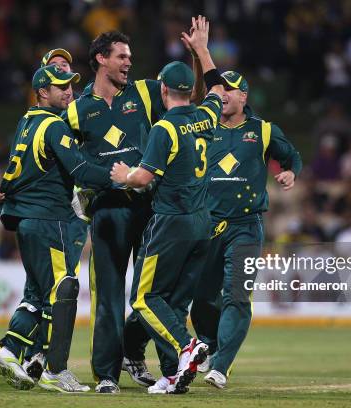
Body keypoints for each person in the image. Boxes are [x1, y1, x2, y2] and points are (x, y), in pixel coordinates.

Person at [110, 16, 224, 394]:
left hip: (170, 223)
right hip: (202, 224)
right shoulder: (207, 117)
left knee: (144, 298)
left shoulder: (166, 128)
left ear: (162, 90)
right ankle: (177, 373)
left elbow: (143, 179)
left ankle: (187, 347)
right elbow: (216, 89)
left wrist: (125, 173)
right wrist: (202, 51)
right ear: (189, 90)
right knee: (174, 300)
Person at [0, 64, 112, 394]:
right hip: (50, 221)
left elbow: (13, 172)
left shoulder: (27, 122)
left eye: (70, 84)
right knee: (62, 291)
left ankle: (11, 350)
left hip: (28, 222)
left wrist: (3, 192)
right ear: (43, 92)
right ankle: (53, 369)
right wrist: (124, 176)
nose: (69, 90)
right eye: (61, 86)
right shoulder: (55, 127)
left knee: (37, 294)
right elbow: (82, 169)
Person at [62, 30, 167, 393]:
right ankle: (107, 374)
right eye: (122, 56)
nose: (129, 62)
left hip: (149, 206)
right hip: (106, 211)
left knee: (153, 291)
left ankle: (135, 355)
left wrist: (200, 53)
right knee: (108, 295)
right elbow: (62, 159)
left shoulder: (145, 92)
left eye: (130, 56)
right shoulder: (75, 110)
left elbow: (192, 95)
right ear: (101, 59)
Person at [190, 70, 302, 389]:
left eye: (231, 90)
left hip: (246, 226)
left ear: (244, 97)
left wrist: (291, 172)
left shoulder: (263, 130)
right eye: (220, 89)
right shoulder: (203, 125)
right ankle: (210, 345)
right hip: (206, 224)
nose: (223, 94)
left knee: (237, 297)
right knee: (201, 298)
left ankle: (221, 366)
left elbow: (291, 155)